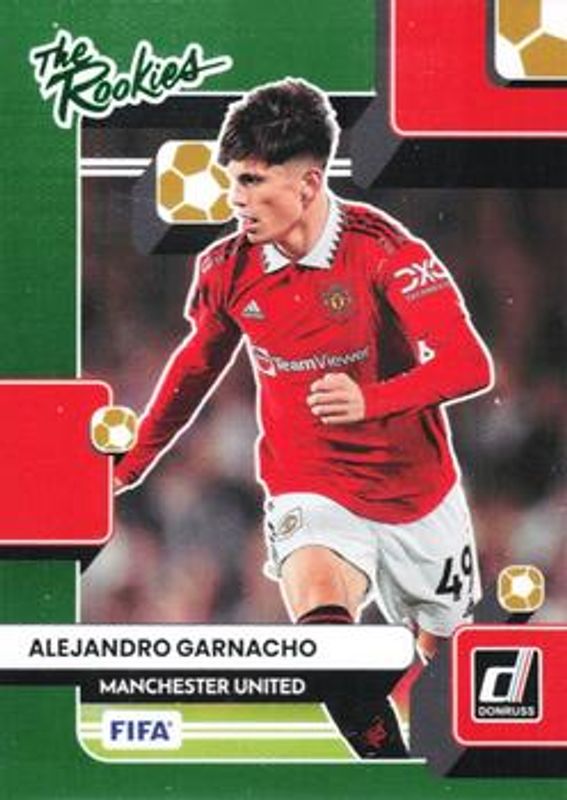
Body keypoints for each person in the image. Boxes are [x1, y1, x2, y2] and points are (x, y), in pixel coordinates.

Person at [114, 78, 493, 757]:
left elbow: (469, 364)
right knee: (325, 644)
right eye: (232, 179)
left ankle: (436, 745)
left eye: (252, 181)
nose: (235, 199)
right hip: (308, 484)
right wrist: (132, 463)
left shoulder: (383, 250)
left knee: (443, 661)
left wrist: (371, 399)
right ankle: (384, 770)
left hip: (417, 495)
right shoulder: (227, 267)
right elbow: (197, 365)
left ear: (309, 183)